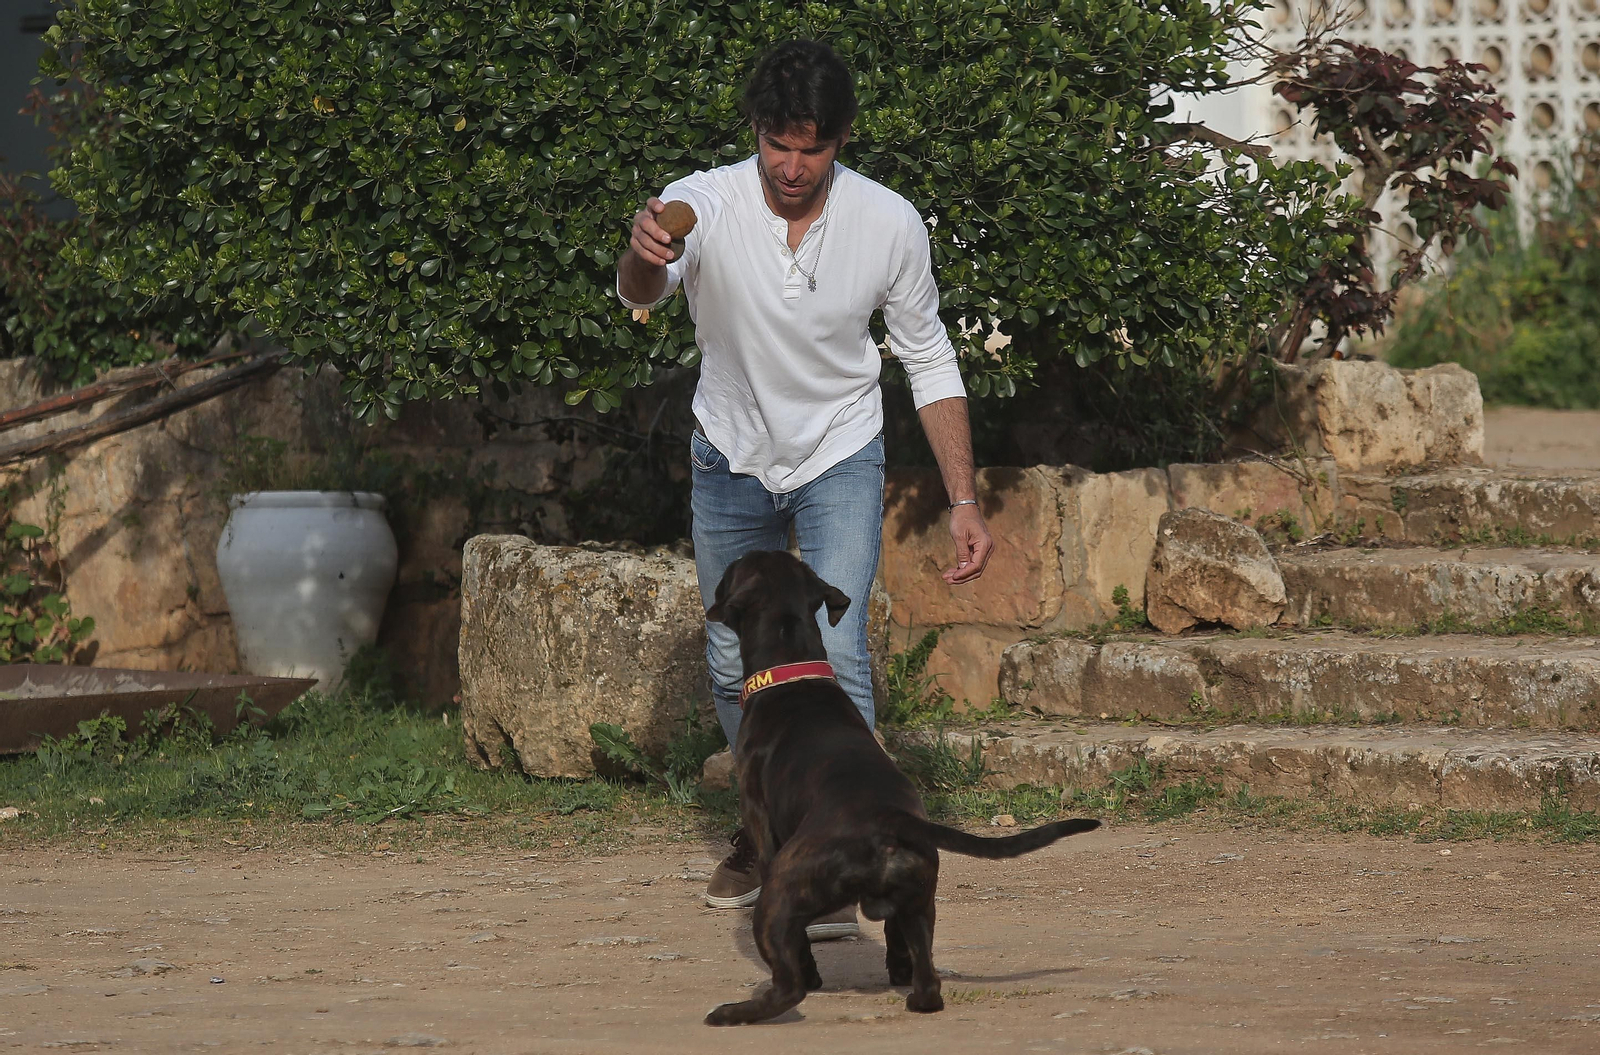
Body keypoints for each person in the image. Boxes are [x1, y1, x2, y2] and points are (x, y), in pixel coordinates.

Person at [616, 39, 994, 941]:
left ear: (841, 140)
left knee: (839, 648)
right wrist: (641, 252)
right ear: (756, 132)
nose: (791, 166)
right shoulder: (703, 201)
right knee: (726, 658)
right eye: (777, 143)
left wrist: (964, 498)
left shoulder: (890, 222)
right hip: (730, 450)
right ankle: (765, 831)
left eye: (811, 148)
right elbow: (638, 294)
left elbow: (930, 358)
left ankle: (862, 840)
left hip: (840, 450)